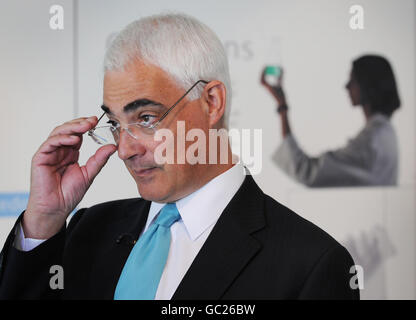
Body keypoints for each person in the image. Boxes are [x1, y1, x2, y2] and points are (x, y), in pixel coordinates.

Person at [0, 13, 359, 300]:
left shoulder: (311, 264)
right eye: (114, 122)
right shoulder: (86, 230)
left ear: (212, 102)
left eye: (146, 118)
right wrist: (44, 221)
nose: (125, 150)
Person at [261, 55, 401, 187]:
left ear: (368, 85)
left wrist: (282, 107)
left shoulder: (372, 139)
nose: (346, 86)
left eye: (353, 80)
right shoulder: (383, 133)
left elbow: (306, 171)